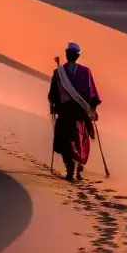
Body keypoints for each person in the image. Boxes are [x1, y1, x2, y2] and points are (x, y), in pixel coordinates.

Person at [48, 41, 101, 182]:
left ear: (67, 54)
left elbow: (53, 94)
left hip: (76, 114)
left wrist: (53, 105)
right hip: (75, 114)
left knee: (72, 142)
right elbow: (93, 94)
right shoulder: (61, 72)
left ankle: (73, 168)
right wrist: (92, 107)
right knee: (75, 142)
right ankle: (74, 168)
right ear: (78, 56)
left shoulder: (63, 72)